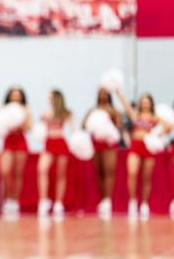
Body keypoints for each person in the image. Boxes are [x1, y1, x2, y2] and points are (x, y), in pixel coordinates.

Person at [115, 90, 170, 219]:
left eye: (147, 102)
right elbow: (126, 106)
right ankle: (132, 201)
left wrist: (158, 134)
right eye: (143, 102)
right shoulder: (136, 115)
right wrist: (118, 92)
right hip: (135, 146)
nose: (145, 104)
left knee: (146, 177)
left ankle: (144, 204)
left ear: (151, 104)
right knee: (132, 173)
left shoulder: (154, 117)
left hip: (148, 148)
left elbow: (169, 126)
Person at [83, 88, 123, 218]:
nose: (103, 96)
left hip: (109, 144)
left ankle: (108, 200)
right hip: (96, 144)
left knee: (109, 171)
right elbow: (84, 125)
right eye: (100, 94)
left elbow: (119, 126)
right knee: (99, 171)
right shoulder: (93, 110)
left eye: (105, 94)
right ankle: (102, 199)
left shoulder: (114, 111)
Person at [37, 90, 75, 217]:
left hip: (61, 143)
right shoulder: (45, 113)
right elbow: (40, 129)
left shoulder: (67, 113)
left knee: (61, 173)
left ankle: (59, 203)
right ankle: (43, 201)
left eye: (51, 97)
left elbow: (73, 129)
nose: (49, 99)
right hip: (49, 144)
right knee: (42, 169)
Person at [0, 87, 32, 218]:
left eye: (18, 96)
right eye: (13, 95)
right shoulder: (3, 109)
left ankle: (14, 200)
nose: (16, 98)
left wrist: (19, 124)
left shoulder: (26, 109)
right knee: (5, 171)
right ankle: (7, 198)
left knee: (18, 172)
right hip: (8, 142)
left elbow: (28, 126)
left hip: (20, 141)